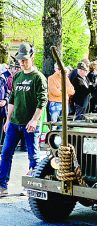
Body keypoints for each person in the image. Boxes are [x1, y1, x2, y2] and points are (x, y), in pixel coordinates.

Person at [0, 43, 48, 196]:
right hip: (14, 123)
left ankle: (32, 186)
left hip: (30, 124)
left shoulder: (38, 78)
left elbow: (43, 101)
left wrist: (34, 120)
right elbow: (12, 98)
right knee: (6, 153)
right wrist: (8, 119)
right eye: (20, 60)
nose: (22, 62)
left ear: (31, 57)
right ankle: (2, 185)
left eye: (25, 59)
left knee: (33, 156)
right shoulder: (17, 76)